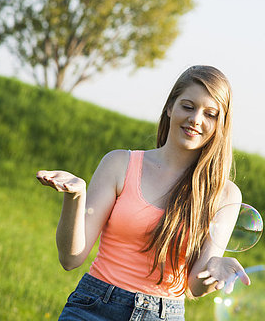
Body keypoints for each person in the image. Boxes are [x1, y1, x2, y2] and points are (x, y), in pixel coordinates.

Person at [36, 65, 251, 321]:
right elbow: (70, 259)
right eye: (188, 106)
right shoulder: (119, 164)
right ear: (170, 107)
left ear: (221, 123)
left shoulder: (223, 194)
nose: (196, 119)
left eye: (211, 114)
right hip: (93, 307)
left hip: (164, 315)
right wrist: (75, 197)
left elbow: (194, 285)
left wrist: (215, 269)